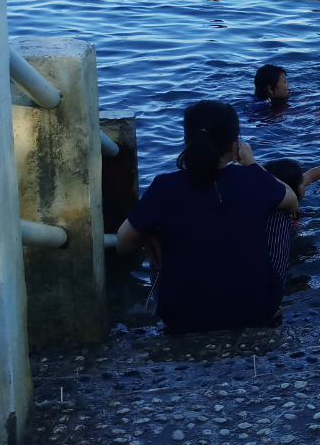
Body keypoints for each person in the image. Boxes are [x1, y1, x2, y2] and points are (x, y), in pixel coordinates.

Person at [114, 100, 299, 333]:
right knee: (278, 212)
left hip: (181, 319)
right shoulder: (252, 180)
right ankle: (269, 298)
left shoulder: (164, 187)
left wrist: (152, 234)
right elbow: (292, 199)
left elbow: (122, 244)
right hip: (257, 312)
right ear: (234, 145)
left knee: (150, 228)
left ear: (187, 142)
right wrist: (252, 163)